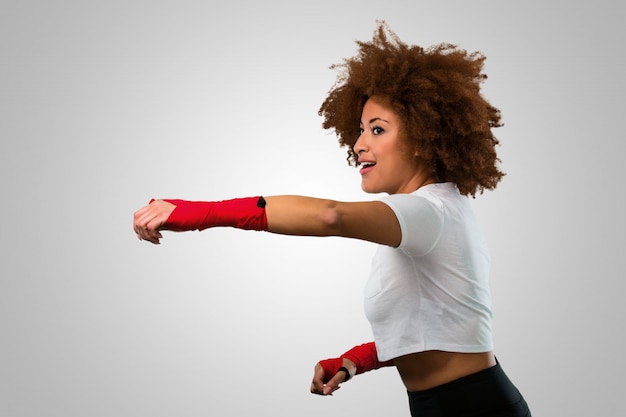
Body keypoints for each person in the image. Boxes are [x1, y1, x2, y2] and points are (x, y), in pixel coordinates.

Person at [133, 21, 531, 417]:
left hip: (476, 407)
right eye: (360, 130)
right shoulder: (429, 216)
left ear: (425, 137)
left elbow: (330, 216)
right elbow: (439, 326)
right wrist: (356, 360)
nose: (359, 145)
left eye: (378, 129)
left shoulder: (429, 211)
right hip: (450, 404)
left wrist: (196, 212)